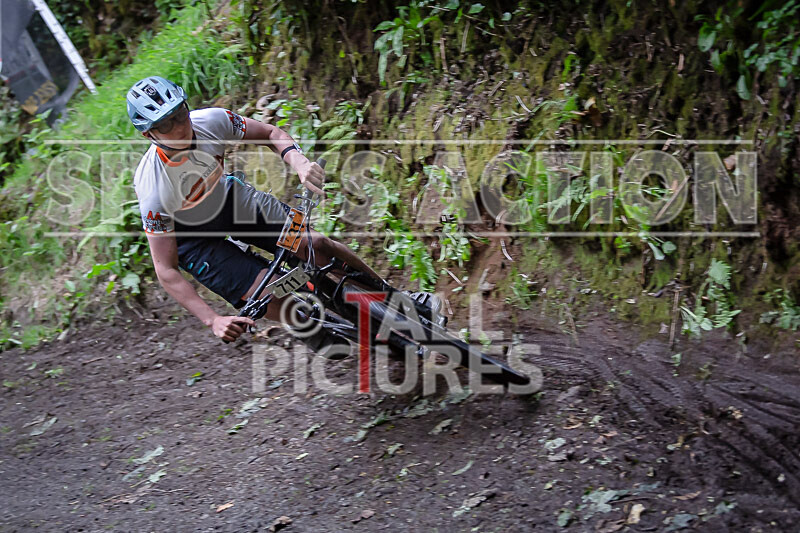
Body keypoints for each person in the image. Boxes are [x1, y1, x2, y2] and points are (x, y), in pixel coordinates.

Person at [127, 76, 387, 353]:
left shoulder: (212, 122)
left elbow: (272, 134)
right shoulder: (153, 188)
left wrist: (299, 163)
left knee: (315, 244)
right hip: (192, 239)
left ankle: (388, 295)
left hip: (228, 201)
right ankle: (301, 322)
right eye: (166, 124)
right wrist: (212, 320)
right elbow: (166, 269)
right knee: (271, 293)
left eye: (180, 113)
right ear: (149, 135)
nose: (180, 126)